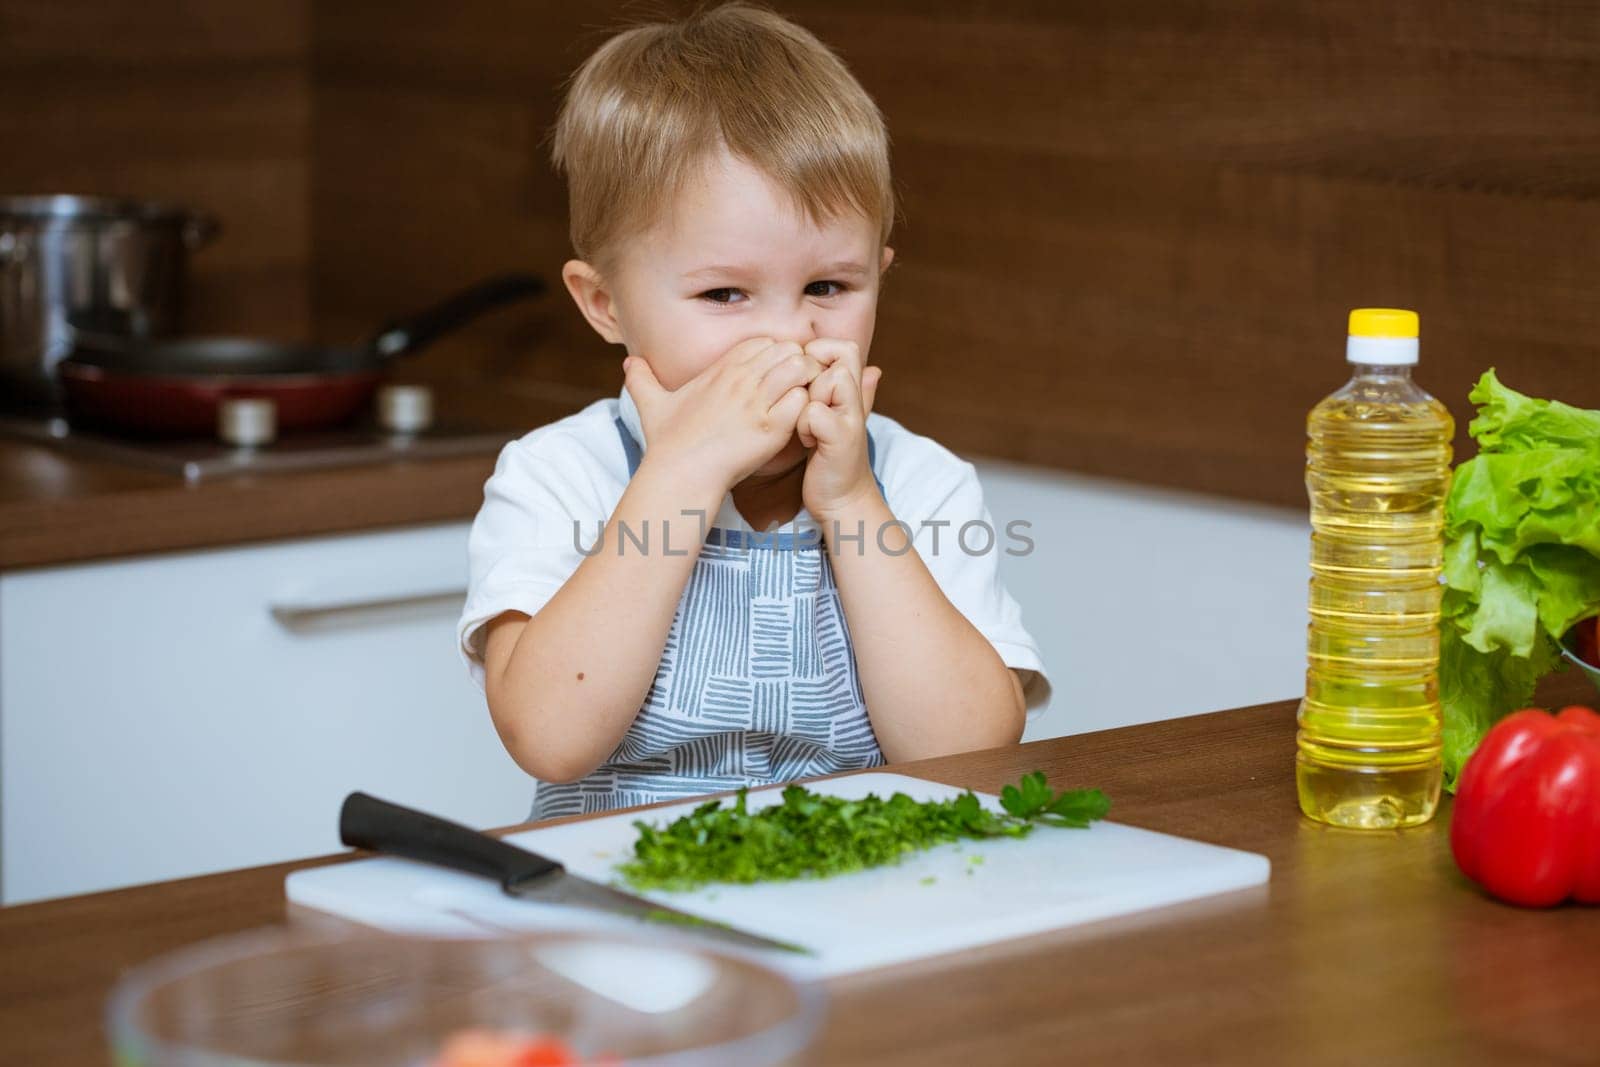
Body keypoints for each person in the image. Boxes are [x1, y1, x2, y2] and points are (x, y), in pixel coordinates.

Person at [457, 2, 1051, 820]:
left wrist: (850, 503)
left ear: (879, 277)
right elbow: (550, 735)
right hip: (623, 911)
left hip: (863, 895)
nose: (786, 336)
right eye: (724, 293)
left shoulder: (919, 483)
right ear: (604, 304)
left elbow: (972, 756)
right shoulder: (560, 475)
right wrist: (682, 470)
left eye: (828, 287)